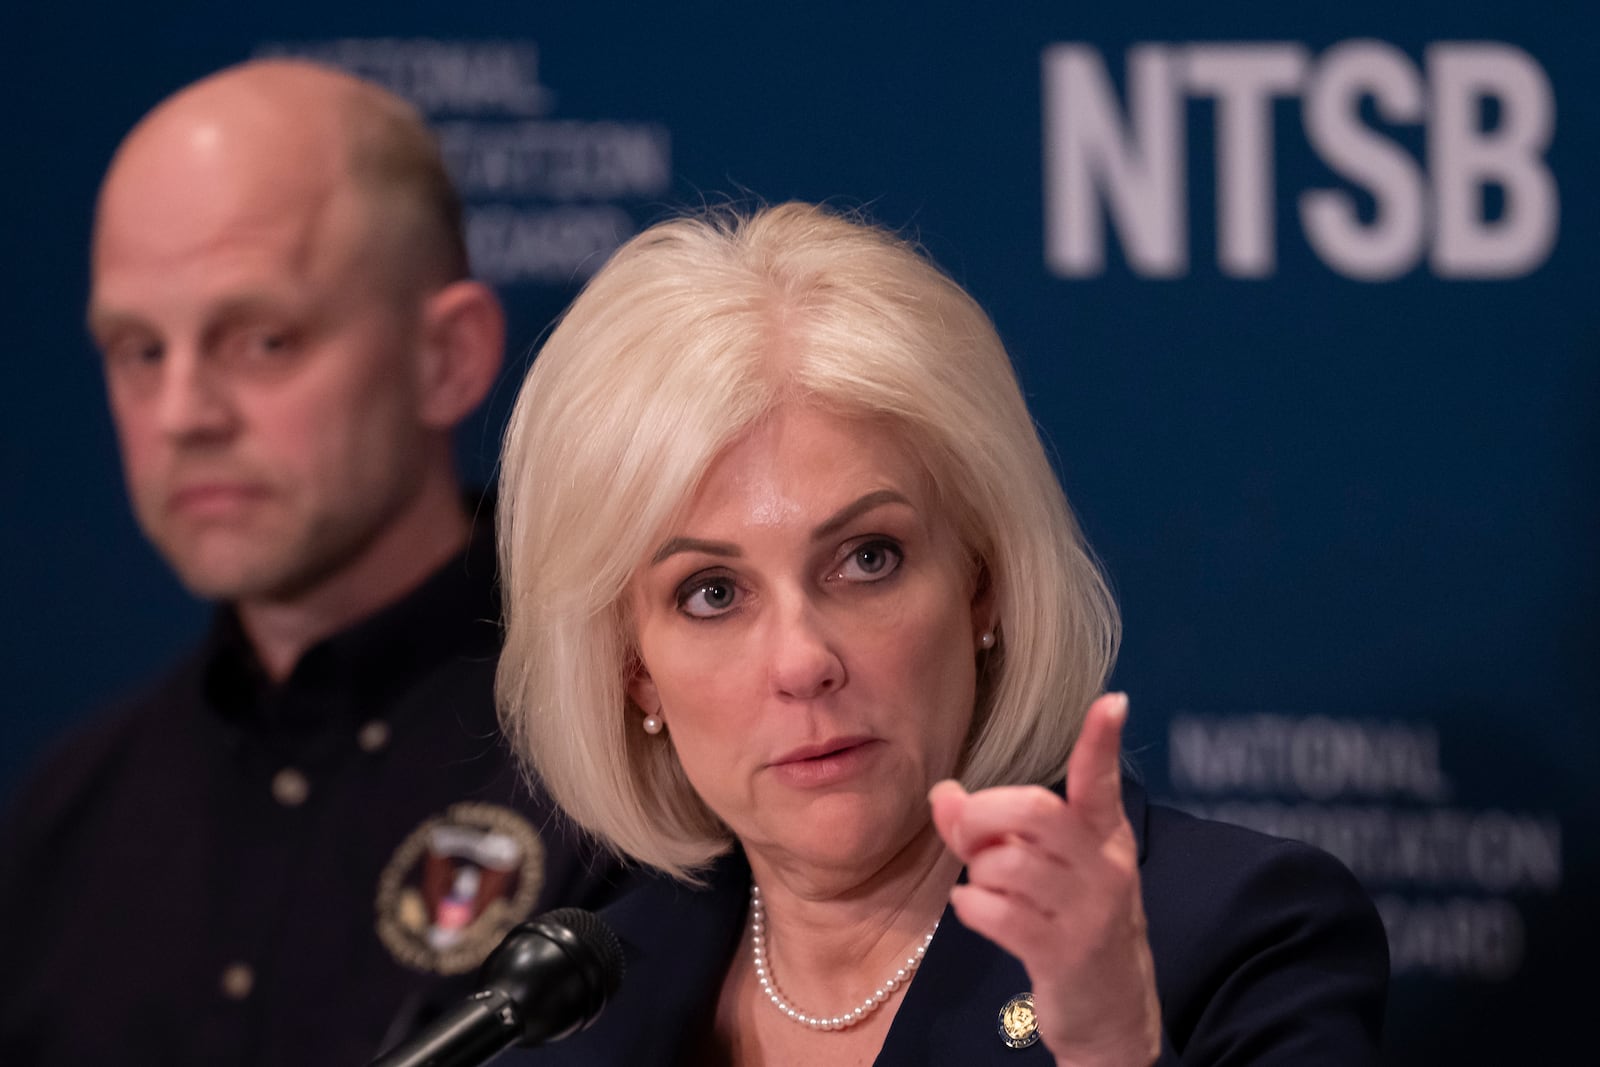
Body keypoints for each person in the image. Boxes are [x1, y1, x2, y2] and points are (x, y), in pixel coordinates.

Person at [493, 202, 1389, 1064]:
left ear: (982, 585)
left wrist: (1112, 1051)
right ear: (634, 672)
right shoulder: (565, 1015)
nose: (804, 661)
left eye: (867, 558)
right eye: (712, 592)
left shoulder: (1232, 939)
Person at [0, 61, 622, 1067]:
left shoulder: (623, 754)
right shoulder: (63, 816)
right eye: (138, 349)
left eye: (261, 339)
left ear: (448, 358)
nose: (184, 415)